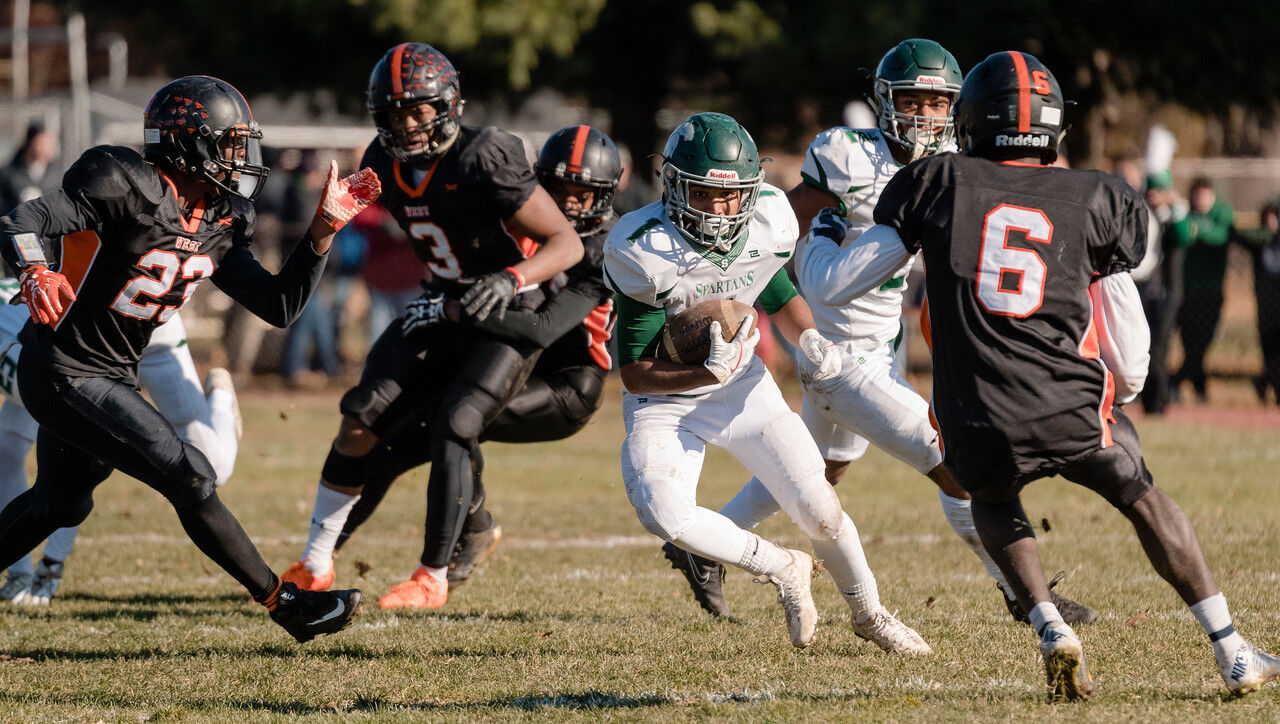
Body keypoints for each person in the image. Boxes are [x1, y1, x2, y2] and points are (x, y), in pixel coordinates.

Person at [826, 50, 1278, 700]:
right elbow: (1130, 340)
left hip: (974, 408)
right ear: (1053, 129)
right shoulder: (1095, 194)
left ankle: (1048, 624)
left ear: (970, 121)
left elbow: (851, 280)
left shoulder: (938, 180)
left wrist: (818, 243)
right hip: (1069, 401)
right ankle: (1231, 648)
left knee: (990, 497)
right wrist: (1122, 394)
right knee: (1141, 495)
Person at [664, 39, 1094, 631]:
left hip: (882, 345)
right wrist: (759, 285)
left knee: (821, 469)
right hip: (832, 352)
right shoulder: (846, 155)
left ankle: (702, 543)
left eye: (938, 105)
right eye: (913, 102)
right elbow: (775, 225)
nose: (925, 117)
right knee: (954, 464)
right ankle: (1023, 595)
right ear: (884, 101)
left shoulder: (954, 161)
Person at [0, 75, 377, 643]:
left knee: (60, 503)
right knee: (191, 475)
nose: (241, 157)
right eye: (229, 143)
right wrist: (35, 270)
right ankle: (287, 604)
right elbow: (21, 221)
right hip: (64, 369)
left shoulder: (221, 219)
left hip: (112, 372)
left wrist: (321, 232)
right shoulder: (120, 181)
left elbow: (279, 305)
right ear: (186, 142)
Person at [604, 111, 929, 653]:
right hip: (664, 398)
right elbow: (635, 367)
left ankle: (871, 614)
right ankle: (781, 566)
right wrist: (701, 370)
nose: (722, 209)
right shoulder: (643, 247)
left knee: (819, 506)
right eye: (707, 194)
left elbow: (773, 289)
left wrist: (810, 340)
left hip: (742, 388)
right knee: (662, 510)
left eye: (733, 197)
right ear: (675, 186)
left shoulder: (769, 218)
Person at [282, 44, 583, 610]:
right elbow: (355, 203)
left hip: (504, 312)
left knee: (455, 425)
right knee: (360, 415)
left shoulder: (482, 155)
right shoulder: (382, 159)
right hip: (441, 304)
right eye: (396, 113)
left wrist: (513, 278)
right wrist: (331, 213)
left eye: (419, 110)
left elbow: (564, 241)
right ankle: (316, 561)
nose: (409, 124)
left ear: (448, 104)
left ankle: (432, 575)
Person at [309, 125, 623, 589]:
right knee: (391, 443)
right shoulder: (524, 220)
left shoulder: (605, 248)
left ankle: (469, 533)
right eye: (557, 189)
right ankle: (316, 562)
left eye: (582, 193)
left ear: (605, 194)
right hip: (517, 360)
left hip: (566, 384)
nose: (568, 202)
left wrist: (451, 311)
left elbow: (540, 328)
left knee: (453, 422)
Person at [0, 285, 241, 603]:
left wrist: (52, 562)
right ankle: (20, 575)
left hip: (147, 327)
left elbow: (77, 445)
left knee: (211, 469)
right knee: (10, 449)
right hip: (83, 339)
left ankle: (221, 400)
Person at [1174, 177, 1235, 402]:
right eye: (1196, 194)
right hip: (1188, 292)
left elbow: (1219, 236)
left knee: (1203, 342)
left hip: (1211, 292)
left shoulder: (1223, 214)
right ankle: (1199, 390)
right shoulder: (1186, 213)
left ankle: (1176, 381)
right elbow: (1180, 232)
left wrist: (1196, 229)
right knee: (1191, 343)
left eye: (1205, 194)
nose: (1200, 199)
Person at [1135, 170, 1189, 414]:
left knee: (1158, 347)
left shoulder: (1175, 214)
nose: (1154, 197)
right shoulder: (1139, 212)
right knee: (1139, 345)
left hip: (1164, 292)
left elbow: (1182, 236)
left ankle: (1157, 401)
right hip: (1142, 287)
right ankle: (1144, 398)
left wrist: (1171, 208)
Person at [1243, 201, 1280, 402]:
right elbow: (1243, 236)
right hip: (1267, 308)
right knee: (1269, 350)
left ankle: (1265, 382)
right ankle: (1267, 383)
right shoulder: (1261, 242)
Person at [0, 123, 59, 214]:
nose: (46, 148)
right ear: (29, 143)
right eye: (41, 143)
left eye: (49, 143)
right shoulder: (9, 174)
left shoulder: (57, 175)